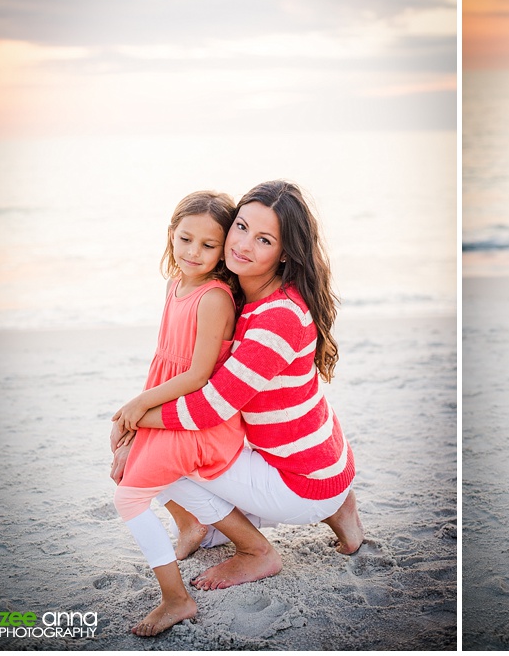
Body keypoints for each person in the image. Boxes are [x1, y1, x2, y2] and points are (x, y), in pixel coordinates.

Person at [110, 180, 363, 626]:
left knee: (160, 461)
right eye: (241, 227)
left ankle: (257, 551)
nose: (243, 244)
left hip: (301, 483)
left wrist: (135, 419)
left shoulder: (276, 317)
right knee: (169, 444)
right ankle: (339, 506)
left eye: (263, 239)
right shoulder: (256, 292)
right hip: (324, 460)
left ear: (285, 253)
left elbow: (210, 408)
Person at [111, 190, 247, 637]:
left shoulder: (214, 298)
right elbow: (164, 360)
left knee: (128, 497)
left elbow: (196, 375)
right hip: (173, 404)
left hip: (200, 418)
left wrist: (140, 405)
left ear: (224, 249)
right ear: (171, 232)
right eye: (186, 239)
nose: (193, 252)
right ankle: (190, 524)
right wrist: (136, 414)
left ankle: (176, 599)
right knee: (119, 444)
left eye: (208, 246)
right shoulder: (176, 285)